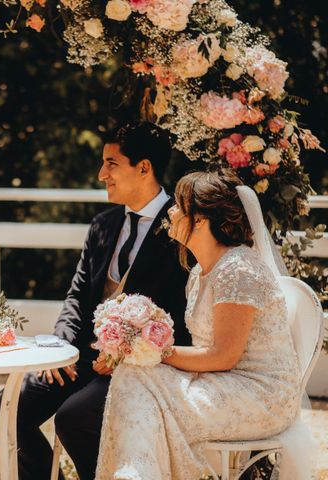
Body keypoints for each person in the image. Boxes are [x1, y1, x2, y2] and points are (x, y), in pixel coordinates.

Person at [0, 122, 191, 479]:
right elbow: (78, 296)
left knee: (73, 418)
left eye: (111, 164)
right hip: (79, 356)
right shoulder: (103, 224)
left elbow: (181, 312)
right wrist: (60, 349)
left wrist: (127, 354)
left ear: (143, 168)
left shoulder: (180, 228)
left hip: (140, 366)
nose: (101, 174)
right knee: (4, 410)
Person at [96, 170, 303, 479]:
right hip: (221, 382)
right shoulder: (199, 272)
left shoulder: (238, 269)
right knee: (134, 374)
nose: (171, 211)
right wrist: (138, 351)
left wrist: (152, 352)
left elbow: (223, 356)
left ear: (201, 220)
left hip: (261, 394)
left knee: (141, 381)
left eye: (179, 205)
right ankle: (136, 473)